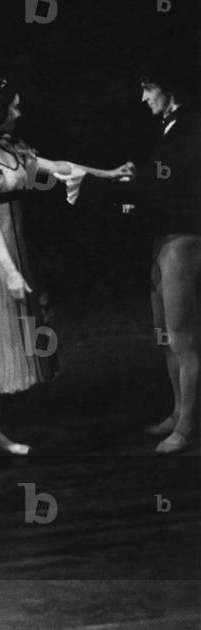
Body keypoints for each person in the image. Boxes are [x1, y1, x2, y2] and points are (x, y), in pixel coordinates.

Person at [0, 75, 133, 461]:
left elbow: (55, 167)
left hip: (18, 249)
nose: (20, 112)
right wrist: (8, 271)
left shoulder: (9, 147)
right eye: (14, 106)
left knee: (7, 340)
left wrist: (109, 173)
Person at [135, 60, 201, 453]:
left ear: (168, 88)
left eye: (147, 88)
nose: (143, 98)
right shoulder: (171, 126)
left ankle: (188, 426)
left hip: (184, 237)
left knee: (183, 338)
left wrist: (130, 183)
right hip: (163, 237)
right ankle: (178, 411)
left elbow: (170, 182)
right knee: (164, 334)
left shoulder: (192, 126)